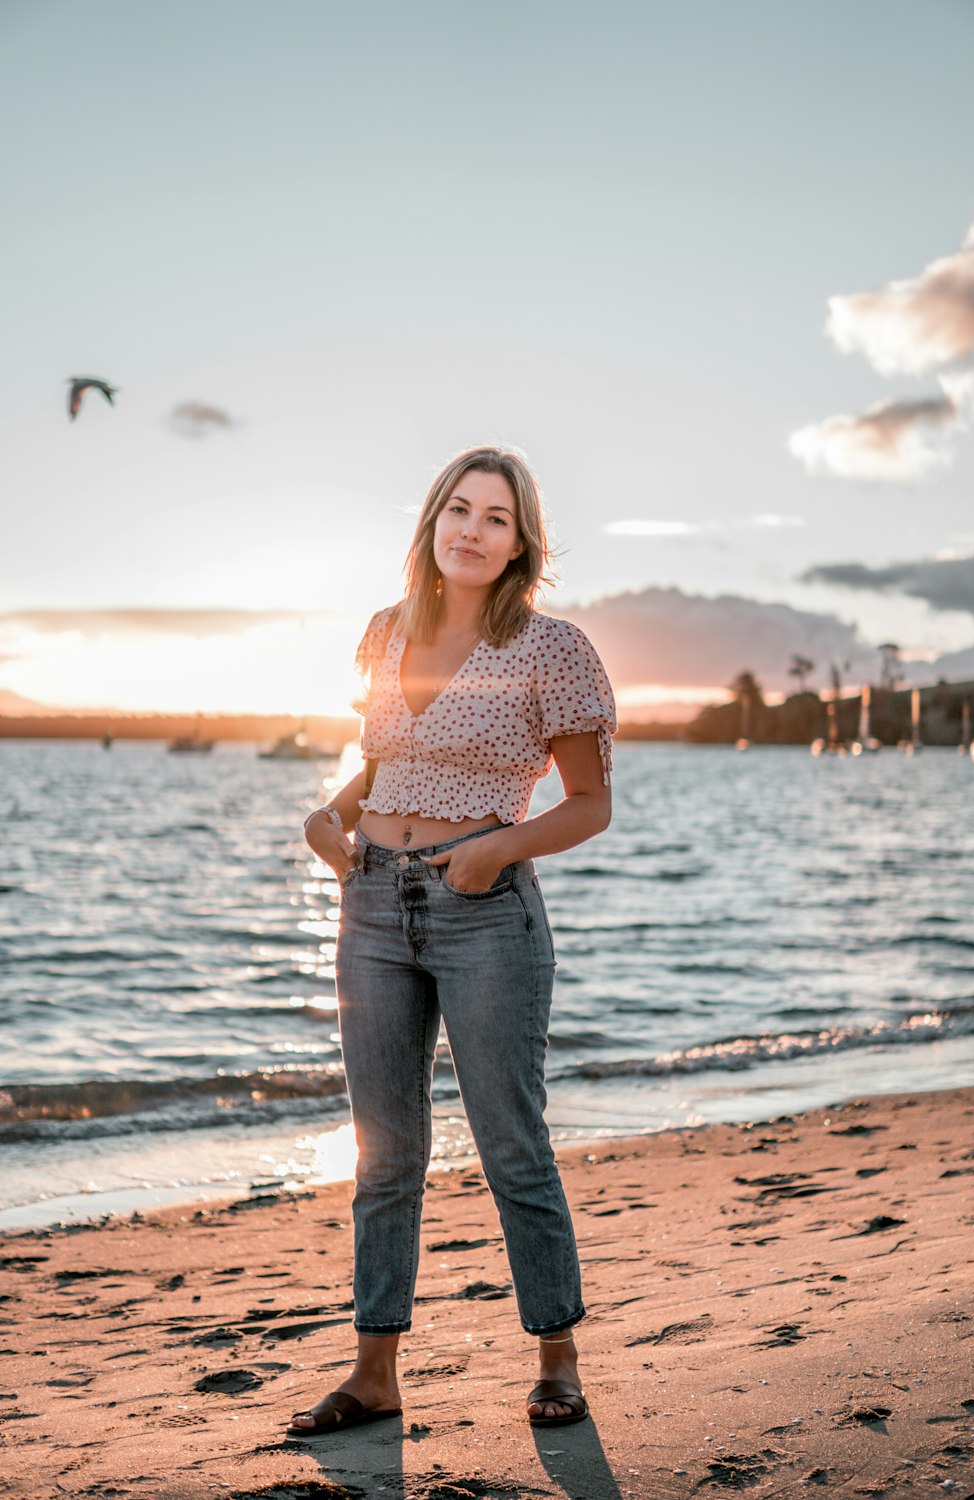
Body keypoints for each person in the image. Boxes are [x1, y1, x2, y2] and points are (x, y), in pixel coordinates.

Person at [290, 445, 616, 1436]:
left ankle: (556, 1360)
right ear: (431, 522)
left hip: (484, 909)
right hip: (373, 904)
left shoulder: (551, 648)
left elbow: (590, 805)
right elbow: (388, 757)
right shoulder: (386, 630)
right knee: (384, 1154)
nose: (472, 531)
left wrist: (494, 852)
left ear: (521, 544)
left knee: (511, 1143)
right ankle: (375, 1372)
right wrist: (330, 816)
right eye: (458, 511)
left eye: (496, 518)